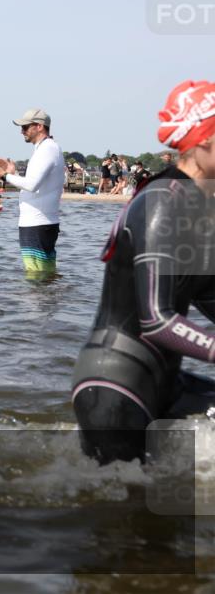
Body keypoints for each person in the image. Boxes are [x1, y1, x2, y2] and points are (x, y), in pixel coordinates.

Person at [71, 79, 215, 465]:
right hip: (115, 386)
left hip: (164, 381)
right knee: (132, 518)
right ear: (203, 141)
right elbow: (157, 320)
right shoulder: (163, 202)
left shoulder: (202, 212)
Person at [0, 108, 65, 277]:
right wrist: (13, 174)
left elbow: (32, 185)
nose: (21, 131)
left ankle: (39, 303)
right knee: (45, 275)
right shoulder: (45, 148)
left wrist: (5, 176)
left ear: (39, 126)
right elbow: (34, 185)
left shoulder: (47, 149)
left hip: (38, 223)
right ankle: (50, 302)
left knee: (37, 276)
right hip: (40, 222)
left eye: (25, 127)